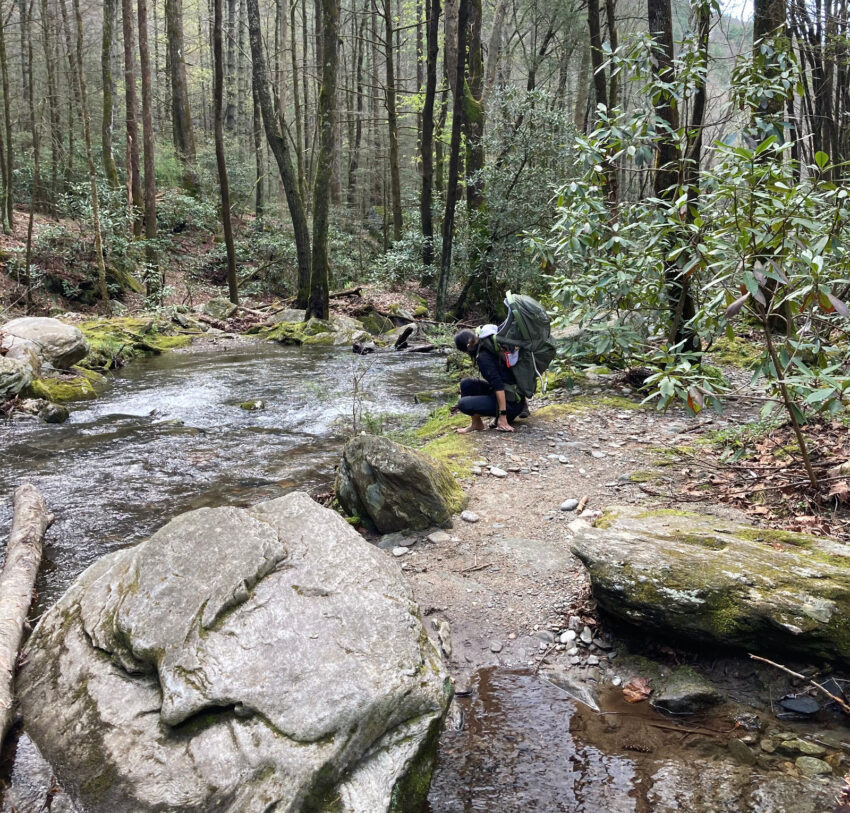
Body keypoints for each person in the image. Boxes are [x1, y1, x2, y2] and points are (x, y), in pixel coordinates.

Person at [453, 328, 527, 434]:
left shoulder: (483, 357)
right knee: (466, 383)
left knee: (463, 404)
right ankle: (476, 424)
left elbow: (499, 386)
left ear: (466, 348)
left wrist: (503, 416)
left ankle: (503, 417)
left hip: (511, 405)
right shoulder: (487, 346)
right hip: (512, 398)